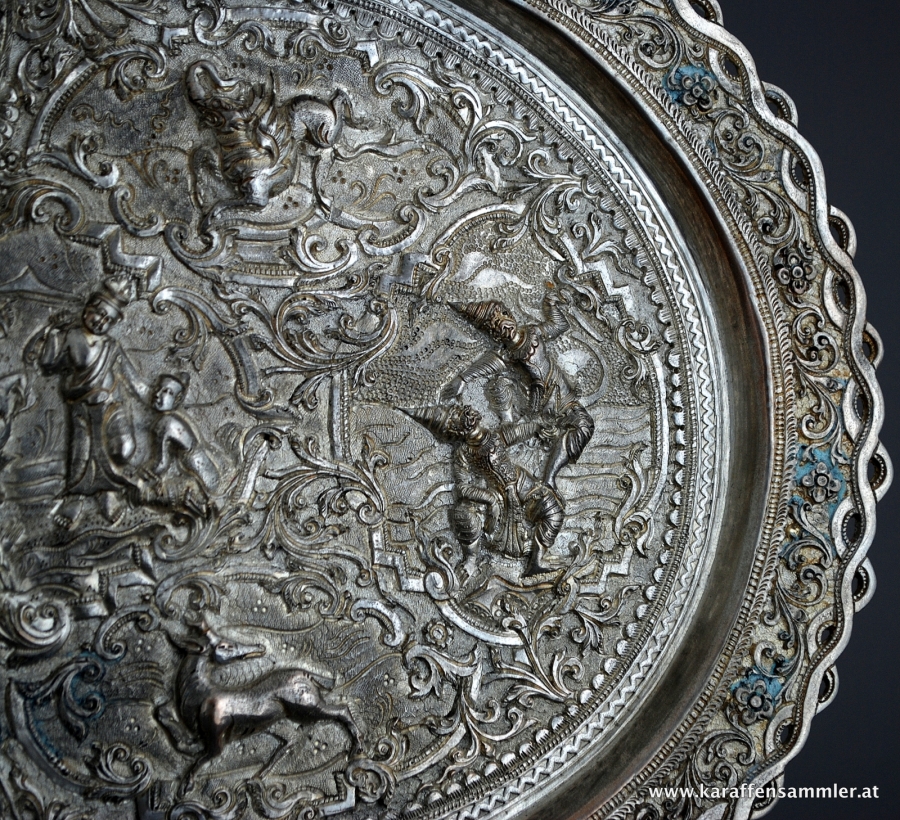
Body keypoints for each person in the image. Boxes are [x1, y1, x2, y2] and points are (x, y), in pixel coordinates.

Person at [442, 292, 595, 490]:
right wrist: (462, 380)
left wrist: (550, 305)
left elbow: (559, 326)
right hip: (540, 408)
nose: (504, 326)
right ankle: (544, 477)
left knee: (584, 426)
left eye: (504, 318)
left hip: (564, 398)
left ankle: (549, 476)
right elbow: (487, 364)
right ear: (494, 334)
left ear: (511, 315)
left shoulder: (533, 333)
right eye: (497, 326)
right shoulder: (507, 353)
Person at [404, 403, 563, 577]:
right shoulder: (464, 453)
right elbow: (463, 488)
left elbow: (519, 432)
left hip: (522, 484)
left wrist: (539, 427)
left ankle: (536, 561)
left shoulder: (495, 436)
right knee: (463, 514)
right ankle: (471, 559)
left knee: (553, 511)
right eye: (454, 416)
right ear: (454, 429)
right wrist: (490, 499)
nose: (460, 413)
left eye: (458, 411)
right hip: (495, 494)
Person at [39, 278, 147, 527]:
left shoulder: (112, 346)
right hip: (82, 407)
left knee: (121, 448)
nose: (100, 321)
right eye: (98, 313)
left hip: (111, 405)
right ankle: (78, 499)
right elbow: (49, 365)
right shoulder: (71, 336)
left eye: (107, 319)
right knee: (81, 453)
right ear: (87, 309)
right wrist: (53, 334)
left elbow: (132, 377)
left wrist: (148, 395)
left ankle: (108, 488)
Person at [141, 374, 220, 517]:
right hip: (208, 475)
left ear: (177, 400)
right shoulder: (169, 420)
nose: (157, 394)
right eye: (158, 388)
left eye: (167, 392)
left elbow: (161, 464)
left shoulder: (166, 424)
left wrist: (141, 472)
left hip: (202, 482)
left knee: (149, 496)